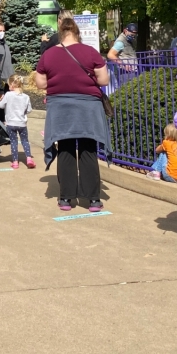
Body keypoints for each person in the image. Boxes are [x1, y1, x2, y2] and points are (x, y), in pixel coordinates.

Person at [33, 17, 111, 212]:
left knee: (65, 148)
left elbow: (41, 83)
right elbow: (103, 80)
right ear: (78, 33)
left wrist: (60, 82)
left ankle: (66, 198)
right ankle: (93, 199)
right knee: (88, 148)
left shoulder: (48, 55)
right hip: (88, 107)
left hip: (60, 107)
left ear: (61, 33)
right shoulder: (90, 52)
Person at [0, 74, 35, 169]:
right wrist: (23, 112)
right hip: (22, 123)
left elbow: (1, 106)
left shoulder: (8, 95)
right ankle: (29, 158)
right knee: (25, 141)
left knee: (14, 141)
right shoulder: (26, 97)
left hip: (10, 123)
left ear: (12, 84)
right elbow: (29, 110)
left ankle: (15, 162)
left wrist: (2, 100)